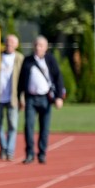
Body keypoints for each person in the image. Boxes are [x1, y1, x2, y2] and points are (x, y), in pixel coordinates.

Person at [17, 35, 64, 164]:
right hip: (31, 99)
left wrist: (59, 97)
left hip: (46, 99)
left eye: (41, 45)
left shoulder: (50, 60)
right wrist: (19, 98)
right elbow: (21, 81)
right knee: (29, 126)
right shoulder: (27, 61)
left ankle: (42, 153)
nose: (38, 48)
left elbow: (58, 77)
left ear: (46, 47)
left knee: (44, 128)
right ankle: (29, 154)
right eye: (36, 45)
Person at [0, 34, 23, 161]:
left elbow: (23, 81)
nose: (9, 45)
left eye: (12, 43)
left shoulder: (19, 58)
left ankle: (10, 151)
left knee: (13, 125)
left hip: (13, 98)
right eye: (7, 42)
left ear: (16, 45)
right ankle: (4, 148)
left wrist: (22, 98)